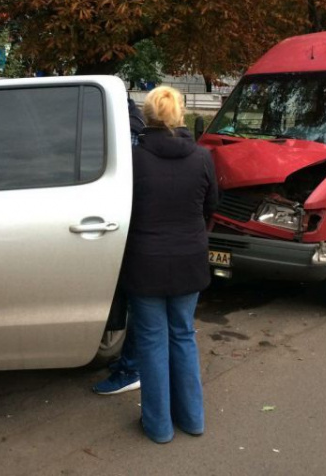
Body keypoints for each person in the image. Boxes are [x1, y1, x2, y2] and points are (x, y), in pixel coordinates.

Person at [121, 85, 218, 443]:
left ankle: (159, 426)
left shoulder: (133, 159)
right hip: (190, 260)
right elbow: (211, 207)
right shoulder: (203, 157)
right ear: (180, 116)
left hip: (145, 262)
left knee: (151, 340)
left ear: (147, 116)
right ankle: (193, 419)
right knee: (183, 335)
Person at [92, 97, 145, 395]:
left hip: (137, 237)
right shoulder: (195, 155)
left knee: (140, 306)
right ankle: (130, 362)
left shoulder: (132, 140)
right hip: (155, 243)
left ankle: (132, 368)